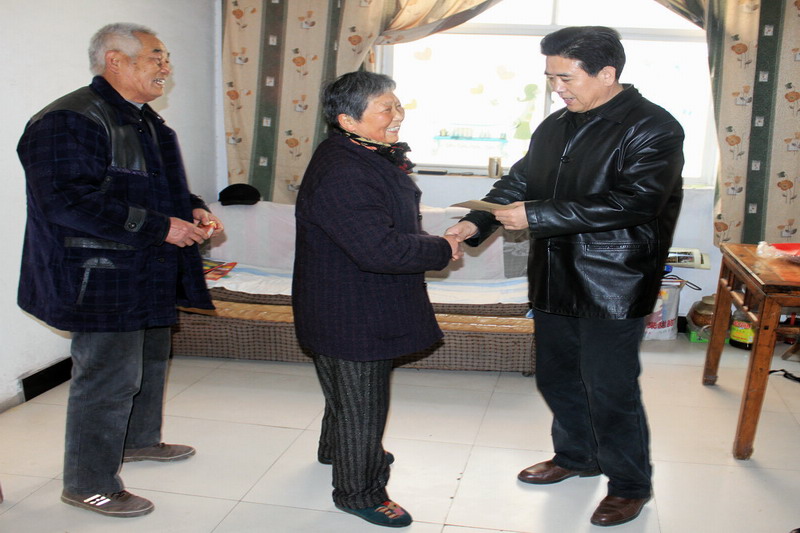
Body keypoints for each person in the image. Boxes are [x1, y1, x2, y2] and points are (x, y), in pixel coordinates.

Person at [445, 26, 684, 527]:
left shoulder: (654, 127)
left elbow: (637, 202)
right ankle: (577, 456)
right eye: (551, 77)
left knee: (609, 388)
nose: (557, 88)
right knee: (556, 378)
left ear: (607, 73)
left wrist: (536, 215)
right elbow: (519, 180)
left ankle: (629, 485)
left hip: (612, 281)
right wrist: (476, 222)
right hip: (554, 274)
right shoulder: (556, 124)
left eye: (565, 78)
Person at [17, 23, 223, 518]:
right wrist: (160, 226)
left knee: (150, 361)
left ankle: (137, 440)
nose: (166, 66)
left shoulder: (146, 121)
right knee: (107, 377)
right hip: (99, 274)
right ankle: (88, 483)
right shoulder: (68, 119)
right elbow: (65, 200)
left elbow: (153, 188)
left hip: (146, 266)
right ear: (116, 60)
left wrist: (191, 208)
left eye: (166, 57)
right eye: (156, 56)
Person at [292, 71, 462, 528]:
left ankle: (340, 450)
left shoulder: (357, 152)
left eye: (397, 105)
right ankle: (359, 491)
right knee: (363, 406)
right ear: (348, 120)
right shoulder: (345, 170)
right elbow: (378, 249)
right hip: (353, 309)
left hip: (342, 300)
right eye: (386, 108)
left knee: (345, 394)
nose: (398, 115)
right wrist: (440, 248)